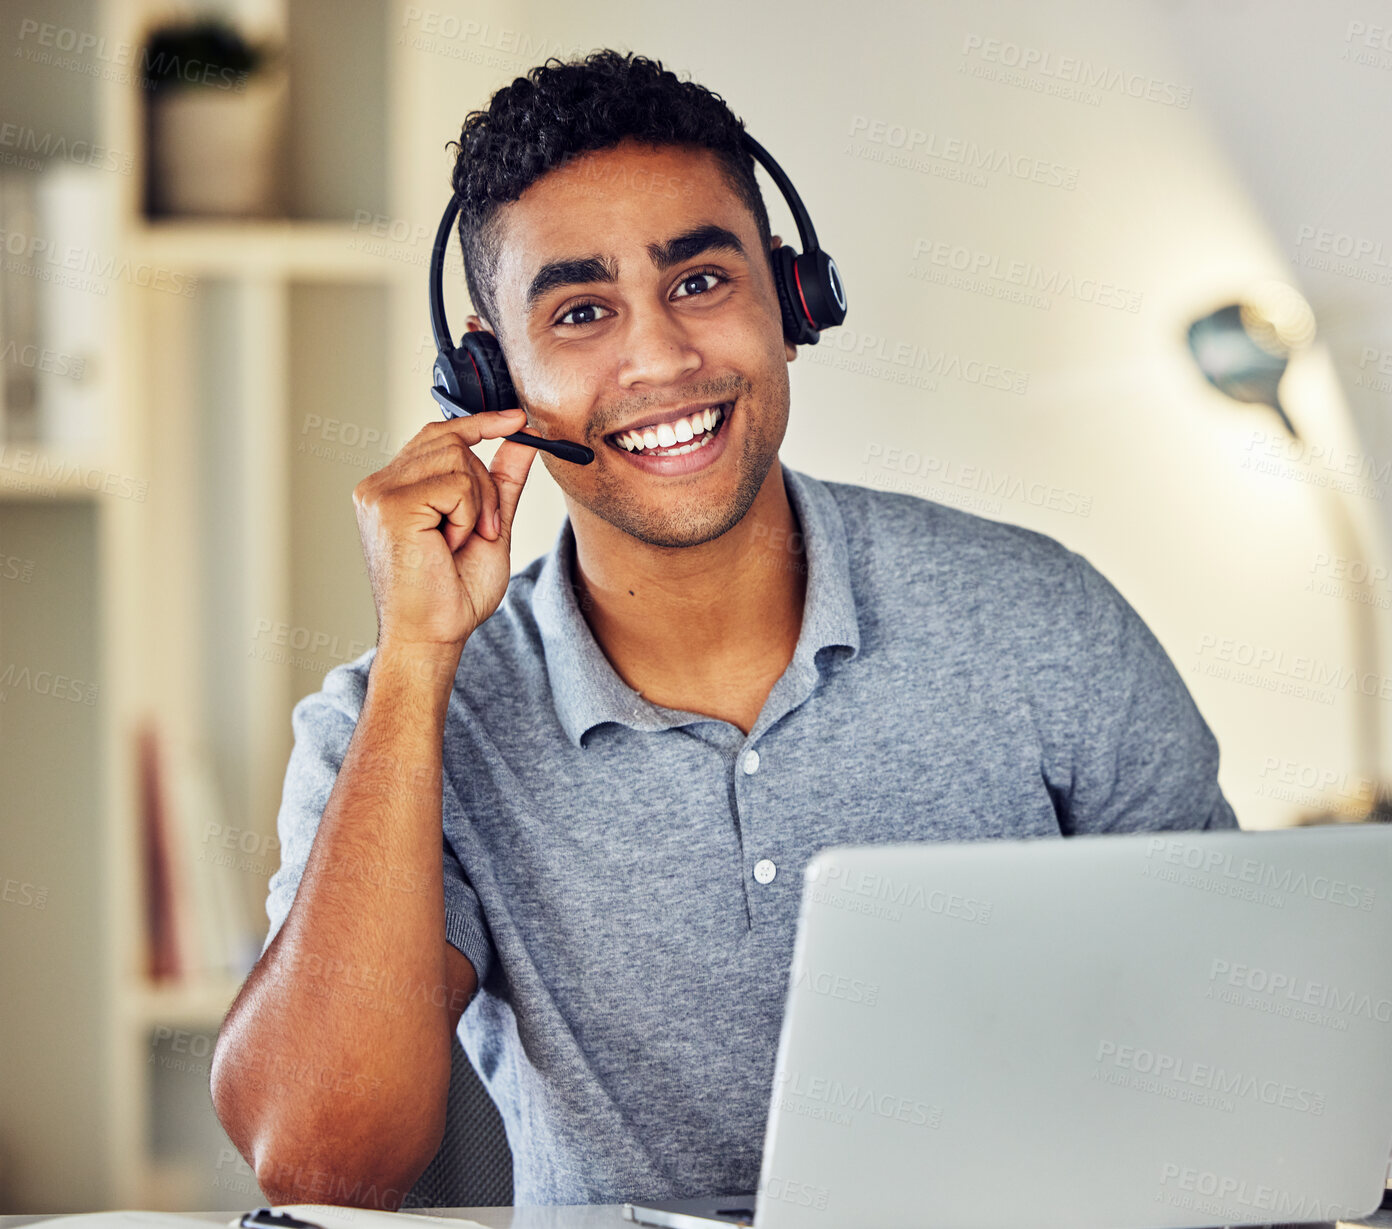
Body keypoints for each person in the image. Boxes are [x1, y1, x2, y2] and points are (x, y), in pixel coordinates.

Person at [210, 49, 1239, 1211]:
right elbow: (322, 1161)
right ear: (488, 375)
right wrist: (417, 657)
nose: (660, 358)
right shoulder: (396, 716)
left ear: (793, 301)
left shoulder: (1044, 619)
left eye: (700, 283)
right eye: (582, 310)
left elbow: (1244, 1037)